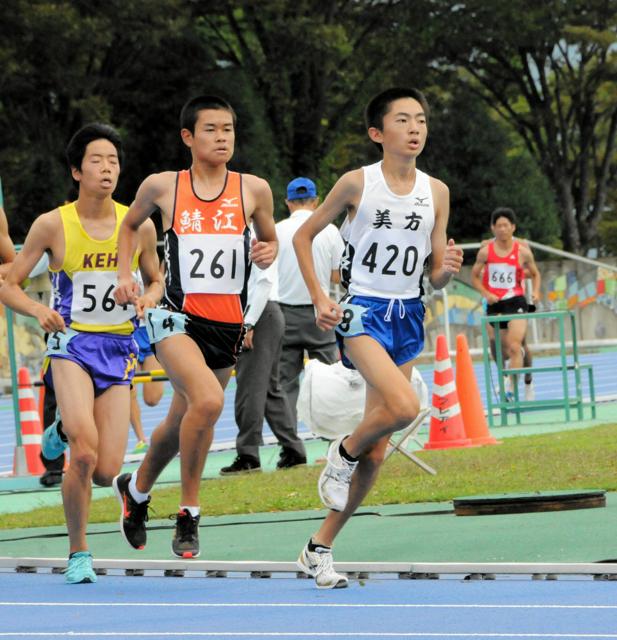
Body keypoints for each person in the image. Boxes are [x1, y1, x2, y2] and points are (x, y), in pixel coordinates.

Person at [292, 87, 463, 589]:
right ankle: (341, 453)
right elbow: (304, 236)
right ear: (377, 133)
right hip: (362, 311)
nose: (415, 128)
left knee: (379, 452)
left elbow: (434, 275)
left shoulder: (437, 192)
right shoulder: (356, 184)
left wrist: (448, 269)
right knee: (405, 406)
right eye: (404, 120)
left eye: (422, 120)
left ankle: (318, 548)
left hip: (409, 313)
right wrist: (322, 297)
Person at [112, 95, 277, 559]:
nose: (222, 137)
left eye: (228, 129)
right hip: (174, 318)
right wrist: (126, 274)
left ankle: (137, 491)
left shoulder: (254, 189)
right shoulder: (164, 186)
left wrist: (268, 250)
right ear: (188, 137)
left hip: (225, 324)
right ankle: (189, 511)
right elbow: (129, 227)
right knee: (208, 400)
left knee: (181, 418)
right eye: (211, 129)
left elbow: (270, 241)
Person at [0, 123, 162, 583]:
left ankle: (59, 428)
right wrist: (37, 310)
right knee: (85, 454)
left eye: (113, 160)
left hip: (118, 349)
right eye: (97, 160)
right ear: (76, 170)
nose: (107, 168)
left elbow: (156, 279)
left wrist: (149, 298)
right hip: (71, 345)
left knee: (106, 469)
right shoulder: (53, 224)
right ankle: (79, 553)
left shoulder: (139, 224)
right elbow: (9, 285)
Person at [221, 253, 307, 475]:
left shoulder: (255, 238)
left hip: (258, 314)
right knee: (269, 388)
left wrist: (248, 323)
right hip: (264, 313)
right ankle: (293, 449)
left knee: (251, 388)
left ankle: (249, 454)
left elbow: (263, 282)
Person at [275, 178, 344, 419]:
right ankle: (333, 439)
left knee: (284, 382)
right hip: (320, 312)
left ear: (288, 202)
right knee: (330, 379)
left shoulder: (277, 229)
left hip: (284, 313)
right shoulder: (330, 230)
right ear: (316, 201)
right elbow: (337, 276)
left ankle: (291, 443)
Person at [471, 208, 541, 401]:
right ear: (493, 228)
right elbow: (474, 276)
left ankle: (517, 383)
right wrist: (486, 293)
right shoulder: (486, 251)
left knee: (515, 345)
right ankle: (505, 374)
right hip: (495, 304)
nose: (502, 229)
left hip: (516, 301)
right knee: (497, 344)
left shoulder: (523, 250)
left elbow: (535, 273)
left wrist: (535, 291)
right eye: (498, 225)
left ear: (513, 227)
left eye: (506, 225)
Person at [129, 271, 165, 454]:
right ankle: (141, 438)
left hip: (149, 330)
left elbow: (158, 282)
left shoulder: (147, 258)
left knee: (152, 398)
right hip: (127, 331)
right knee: (129, 389)